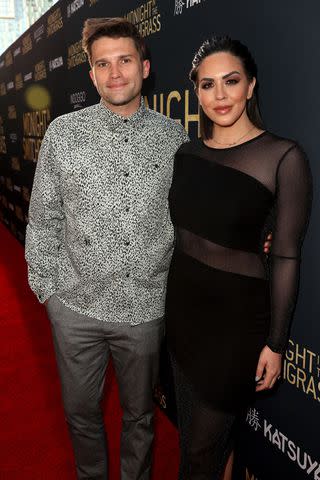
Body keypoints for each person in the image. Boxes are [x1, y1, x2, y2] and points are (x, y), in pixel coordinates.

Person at [24, 17, 189, 480]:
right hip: (74, 307)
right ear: (91, 75)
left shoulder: (174, 138)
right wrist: (49, 293)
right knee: (81, 415)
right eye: (103, 64)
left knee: (140, 418)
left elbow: (192, 218)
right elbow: (43, 219)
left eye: (125, 60)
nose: (115, 73)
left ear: (145, 67)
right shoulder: (62, 133)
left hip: (144, 309)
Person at [165, 36, 312, 479]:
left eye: (231, 81)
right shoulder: (186, 154)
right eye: (207, 85)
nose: (220, 95)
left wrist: (276, 341)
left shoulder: (283, 157)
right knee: (202, 439)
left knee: (197, 455)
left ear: (250, 86)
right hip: (182, 311)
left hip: (235, 325)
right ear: (197, 93)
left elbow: (286, 256)